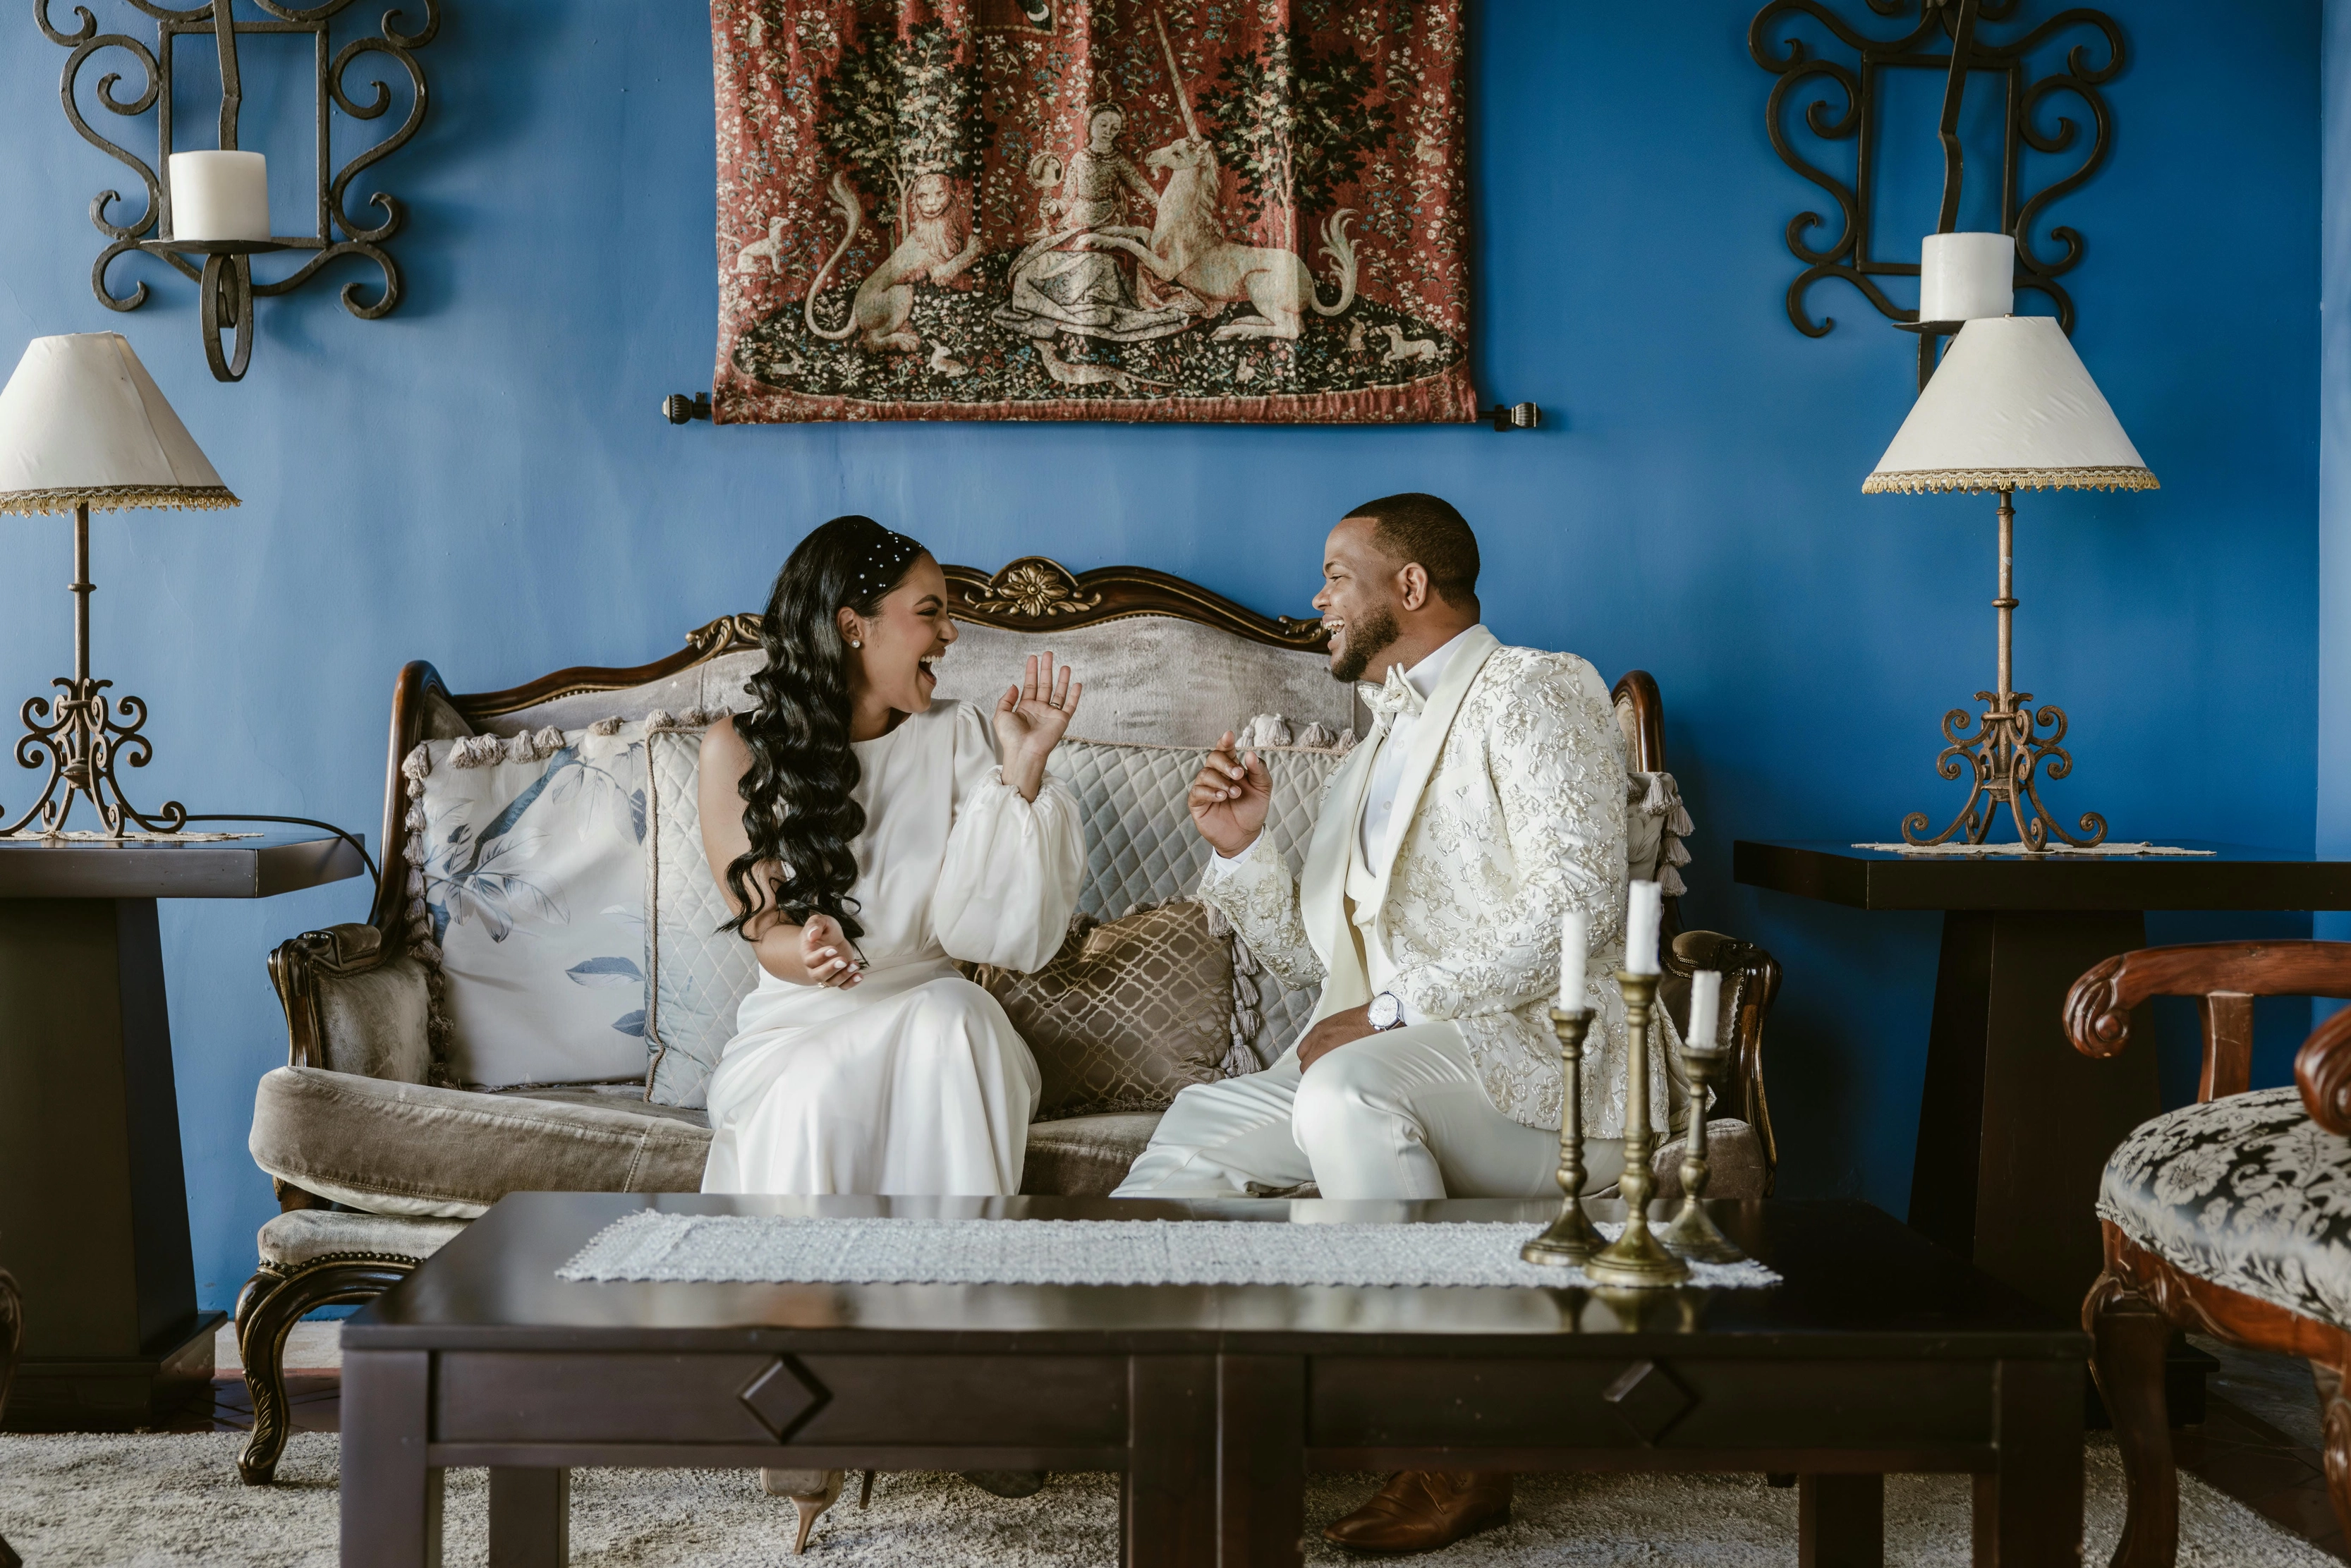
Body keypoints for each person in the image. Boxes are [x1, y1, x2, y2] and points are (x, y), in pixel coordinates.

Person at [1112, 492, 1667, 1554]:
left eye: (1335, 573)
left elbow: (1578, 900)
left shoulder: (1534, 686)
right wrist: (1241, 846)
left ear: (1408, 587)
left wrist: (1395, 1009)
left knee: (1346, 1087)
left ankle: (1451, 1445)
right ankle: (1162, 1403)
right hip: (1394, 1067)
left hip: (1544, 1076)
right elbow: (1319, 971)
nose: (1315, 597)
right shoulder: (1372, 744)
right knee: (1197, 1123)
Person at [697, 515, 1087, 1198]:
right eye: (929, 612)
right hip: (803, 1024)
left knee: (957, 1012)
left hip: (934, 1016)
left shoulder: (959, 731)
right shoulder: (736, 749)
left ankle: (957, 1283)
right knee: (819, 1085)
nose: (950, 634)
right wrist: (811, 948)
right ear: (855, 626)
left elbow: (996, 934)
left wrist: (1022, 768)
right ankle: (805, 1291)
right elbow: (765, 934)